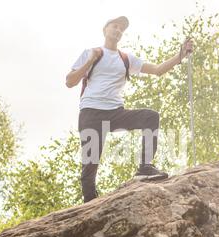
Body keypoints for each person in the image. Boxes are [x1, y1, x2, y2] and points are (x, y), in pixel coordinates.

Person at [66, 16, 194, 203]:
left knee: (150, 117)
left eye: (121, 29)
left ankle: (145, 167)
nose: (118, 30)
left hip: (115, 112)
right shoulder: (92, 53)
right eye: (115, 26)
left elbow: (157, 70)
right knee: (89, 167)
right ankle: (89, 205)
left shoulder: (125, 59)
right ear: (105, 29)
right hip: (91, 113)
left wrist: (180, 55)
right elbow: (70, 81)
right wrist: (89, 61)